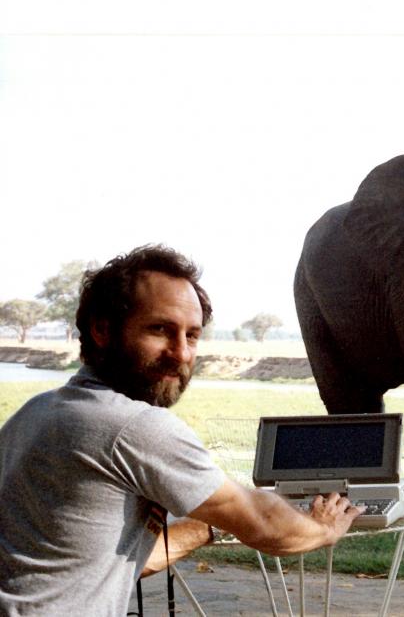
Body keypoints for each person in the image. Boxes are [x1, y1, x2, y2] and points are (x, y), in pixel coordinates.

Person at [0, 244, 364, 616]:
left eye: (191, 335)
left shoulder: (34, 413)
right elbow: (266, 524)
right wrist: (323, 528)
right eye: (160, 329)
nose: (181, 353)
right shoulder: (135, 427)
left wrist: (210, 528)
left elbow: (107, 565)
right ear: (102, 330)